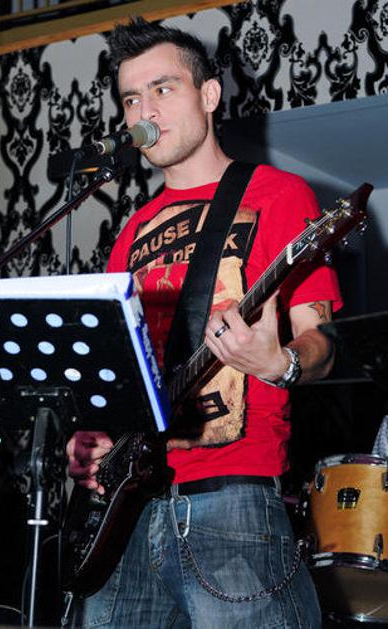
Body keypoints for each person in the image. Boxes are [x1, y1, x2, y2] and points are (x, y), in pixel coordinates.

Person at [66, 17, 342, 628]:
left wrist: (280, 362)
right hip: (125, 514)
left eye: (162, 89)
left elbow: (321, 340)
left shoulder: (278, 195)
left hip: (230, 499)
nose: (144, 111)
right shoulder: (132, 231)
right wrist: (92, 437)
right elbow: (117, 372)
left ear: (209, 95)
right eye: (131, 99)